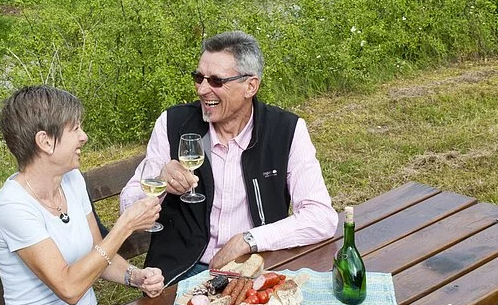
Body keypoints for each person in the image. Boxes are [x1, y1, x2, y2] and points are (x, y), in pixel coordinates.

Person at [121, 31, 338, 287]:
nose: (202, 89)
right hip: (182, 273)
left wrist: (248, 240)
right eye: (198, 78)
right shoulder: (173, 123)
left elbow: (321, 217)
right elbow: (128, 205)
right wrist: (158, 185)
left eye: (215, 81)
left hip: (254, 267)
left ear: (250, 86)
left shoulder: (286, 130)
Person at [0, 85, 166, 305]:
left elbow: (98, 255)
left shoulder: (71, 179)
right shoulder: (12, 206)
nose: (84, 137)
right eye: (75, 129)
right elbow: (69, 289)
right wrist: (124, 226)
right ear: (45, 142)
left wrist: (135, 276)